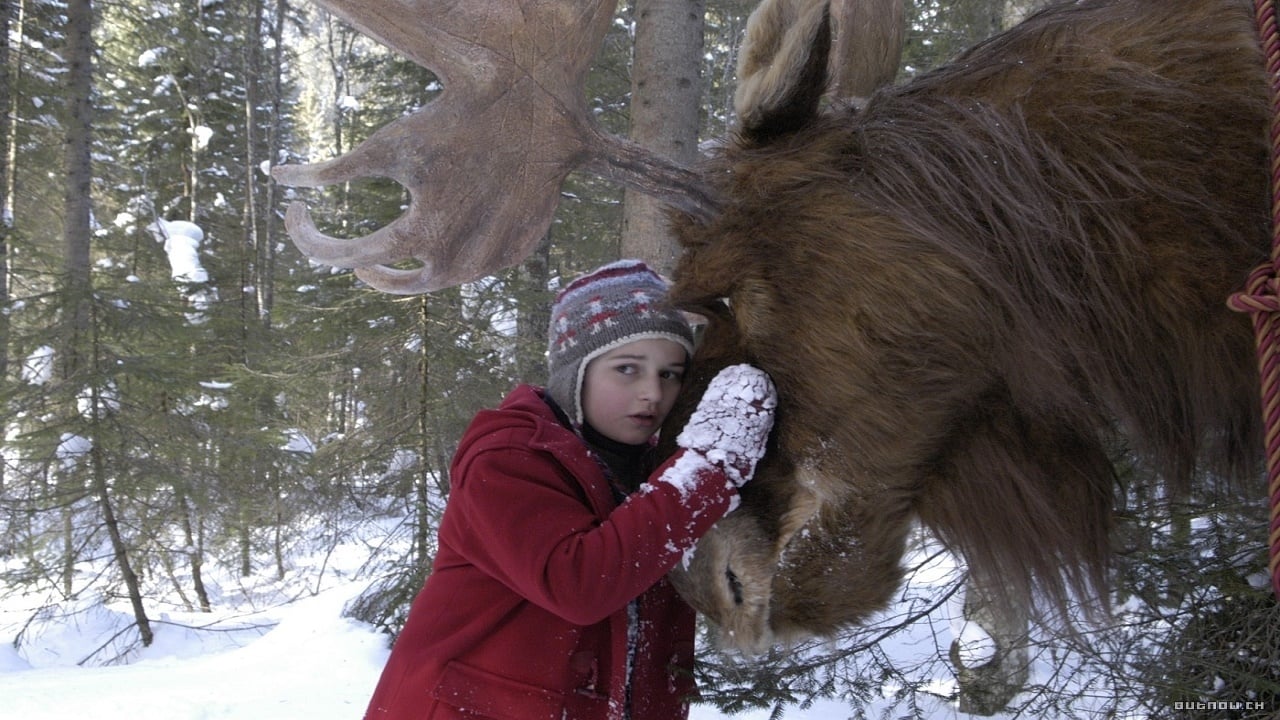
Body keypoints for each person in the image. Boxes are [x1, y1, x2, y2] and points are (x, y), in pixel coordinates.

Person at [363, 259, 777, 720]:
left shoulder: (657, 470)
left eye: (670, 373)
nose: (651, 394)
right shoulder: (506, 458)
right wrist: (713, 464)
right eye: (627, 369)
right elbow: (578, 585)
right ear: (575, 372)